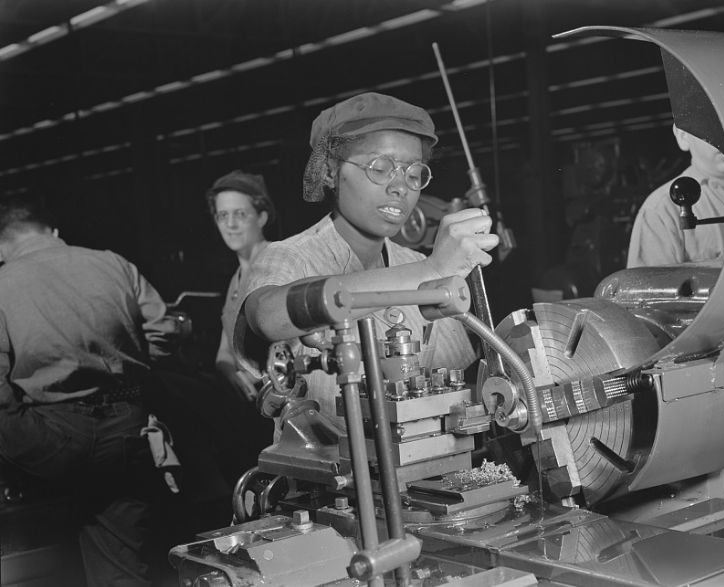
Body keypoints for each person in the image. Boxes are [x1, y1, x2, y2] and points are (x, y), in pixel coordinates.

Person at [232, 92, 499, 432]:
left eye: (414, 173)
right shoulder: (289, 257)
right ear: (330, 171)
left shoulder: (414, 261)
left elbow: (462, 376)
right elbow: (269, 317)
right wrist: (431, 272)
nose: (400, 187)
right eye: (380, 168)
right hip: (334, 476)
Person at [0, 197, 176, 586]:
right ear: (54, 233)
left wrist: (17, 433)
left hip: (49, 436)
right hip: (129, 429)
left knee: (42, 563)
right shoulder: (114, 263)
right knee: (120, 565)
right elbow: (163, 332)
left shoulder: (3, 283)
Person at [206, 170, 276, 402]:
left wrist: (254, 379)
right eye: (222, 215)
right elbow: (224, 352)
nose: (231, 224)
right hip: (244, 399)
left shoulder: (278, 263)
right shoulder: (236, 278)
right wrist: (233, 374)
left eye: (240, 214)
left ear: (262, 217)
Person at [626, 124, 724, 267]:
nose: (723, 136)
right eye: (712, 126)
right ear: (683, 135)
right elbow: (649, 286)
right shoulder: (660, 211)